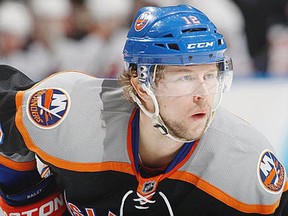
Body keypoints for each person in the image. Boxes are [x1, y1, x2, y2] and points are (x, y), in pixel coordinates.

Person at [0, 4, 287, 216]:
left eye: (210, 76)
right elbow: (9, 111)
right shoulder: (69, 113)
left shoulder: (248, 170)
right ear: (141, 83)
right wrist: (25, 197)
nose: (202, 95)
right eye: (185, 77)